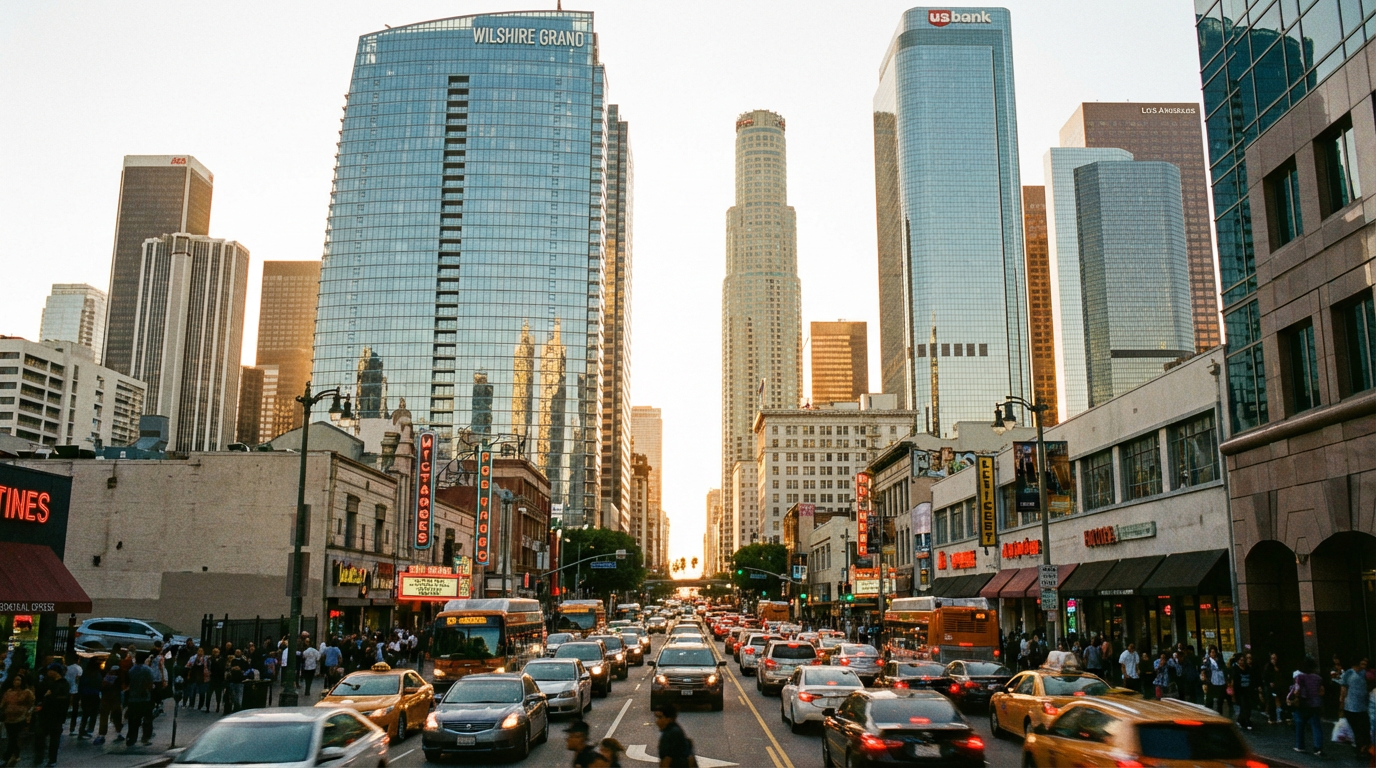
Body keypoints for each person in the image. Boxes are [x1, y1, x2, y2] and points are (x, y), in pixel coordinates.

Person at [31, 663, 69, 767]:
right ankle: (40, 757)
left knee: (54, 739)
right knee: (40, 737)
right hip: (45, 715)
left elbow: (62, 700)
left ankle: (52, 759)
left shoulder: (63, 684)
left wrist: (49, 697)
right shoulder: (48, 682)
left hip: (56, 716)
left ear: (54, 672)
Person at [1292, 657, 1325, 756]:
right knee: (1316, 726)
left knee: (1299, 723)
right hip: (1315, 704)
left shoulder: (1300, 677)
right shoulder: (1318, 678)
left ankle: (1300, 745)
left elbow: (1297, 690)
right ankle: (1318, 748)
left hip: (1304, 704)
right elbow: (1321, 691)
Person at [1339, 656, 1370, 757]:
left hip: (1364, 707)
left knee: (1365, 729)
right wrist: (1341, 706)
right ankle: (1360, 750)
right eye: (1363, 661)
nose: (1364, 663)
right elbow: (1343, 691)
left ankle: (1364, 748)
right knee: (1358, 730)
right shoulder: (1348, 673)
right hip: (1351, 707)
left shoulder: (1366, 673)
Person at [2, 673, 34, 767]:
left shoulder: (27, 692)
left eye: (18, 680)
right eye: (15, 680)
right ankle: (15, 754)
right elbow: (3, 703)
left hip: (20, 718)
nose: (16, 682)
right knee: (12, 737)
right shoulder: (9, 691)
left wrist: (28, 714)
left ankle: (8, 756)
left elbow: (31, 703)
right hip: (8, 718)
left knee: (14, 737)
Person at [93, 652, 125, 745]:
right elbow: (123, 685)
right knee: (117, 715)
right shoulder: (120, 672)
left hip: (106, 696)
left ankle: (102, 734)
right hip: (116, 697)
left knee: (104, 715)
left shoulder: (104, 672)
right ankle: (118, 732)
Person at [124, 652, 155, 748]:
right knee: (147, 719)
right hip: (144, 698)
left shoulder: (131, 670)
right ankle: (145, 738)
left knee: (133, 721)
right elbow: (150, 683)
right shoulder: (147, 670)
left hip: (133, 698)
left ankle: (131, 738)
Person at [651, 703, 693, 768]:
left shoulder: (671, 734)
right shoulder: (674, 730)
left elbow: (667, 760)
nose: (657, 721)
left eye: (660, 718)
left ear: (669, 719)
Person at [1231, 652, 1255, 730]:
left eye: (1243, 660)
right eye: (1240, 660)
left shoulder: (1247, 668)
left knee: (1248, 706)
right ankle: (1245, 721)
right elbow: (1233, 681)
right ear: (1238, 661)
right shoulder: (1235, 669)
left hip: (1247, 690)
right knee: (1243, 706)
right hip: (1239, 691)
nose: (1242, 662)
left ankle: (1243, 719)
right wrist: (1233, 694)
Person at [1202, 647, 1228, 714]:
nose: (1213, 654)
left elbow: (1224, 668)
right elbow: (1203, 669)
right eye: (1211, 652)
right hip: (1211, 680)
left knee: (1220, 698)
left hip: (1220, 680)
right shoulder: (1207, 661)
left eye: (1214, 652)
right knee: (1210, 697)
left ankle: (1220, 712)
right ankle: (1209, 712)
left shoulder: (1220, 660)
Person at [1260, 652, 1284, 725]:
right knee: (1271, 702)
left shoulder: (1277, 666)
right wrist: (1269, 682)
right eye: (1273, 658)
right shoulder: (1268, 667)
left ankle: (1277, 717)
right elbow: (1265, 676)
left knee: (1276, 701)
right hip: (1270, 687)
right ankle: (1272, 717)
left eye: (1275, 658)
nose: (1274, 660)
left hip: (1277, 686)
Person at [63, 655, 81, 736]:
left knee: (64, 709)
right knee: (75, 710)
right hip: (75, 691)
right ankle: (72, 729)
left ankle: (61, 725)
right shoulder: (78, 668)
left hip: (66, 690)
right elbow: (78, 679)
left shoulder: (66, 668)